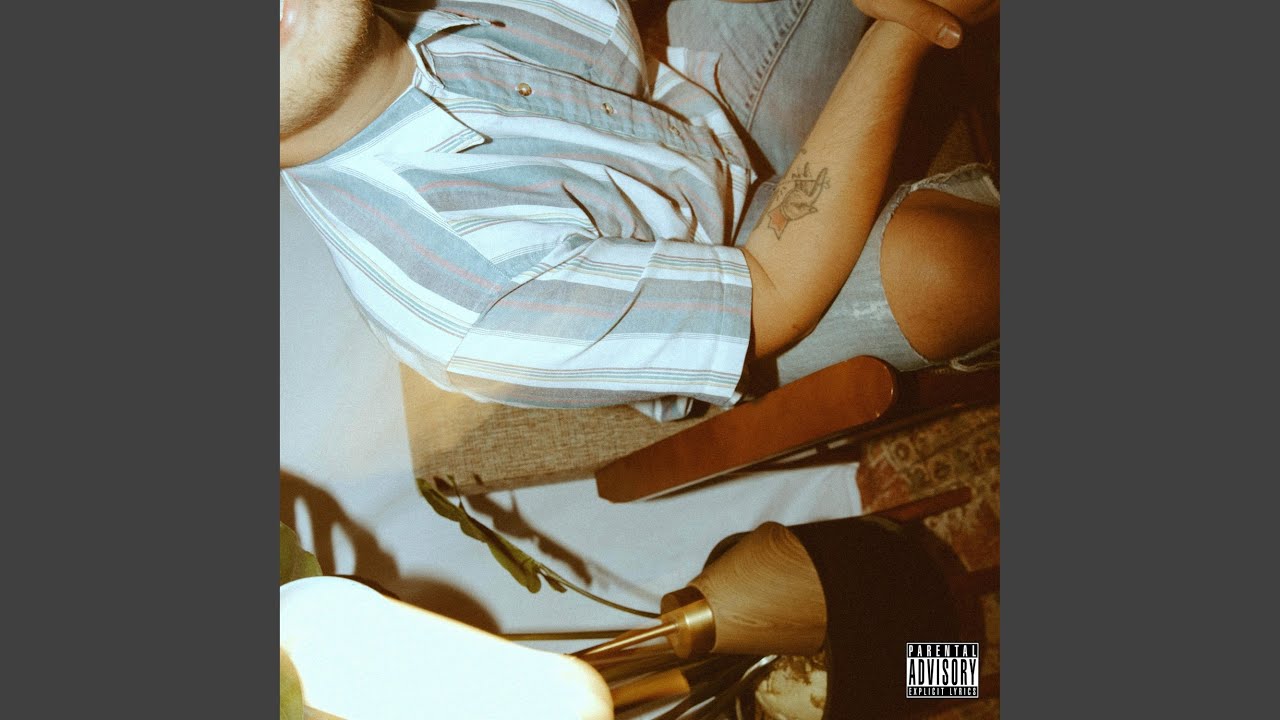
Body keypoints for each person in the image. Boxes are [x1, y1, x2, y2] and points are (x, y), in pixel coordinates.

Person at [280, 0, 999, 421]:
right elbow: (773, 292)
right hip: (739, 271)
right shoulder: (468, 301)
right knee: (951, 271)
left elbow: (615, 38)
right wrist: (904, 32)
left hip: (683, 103)